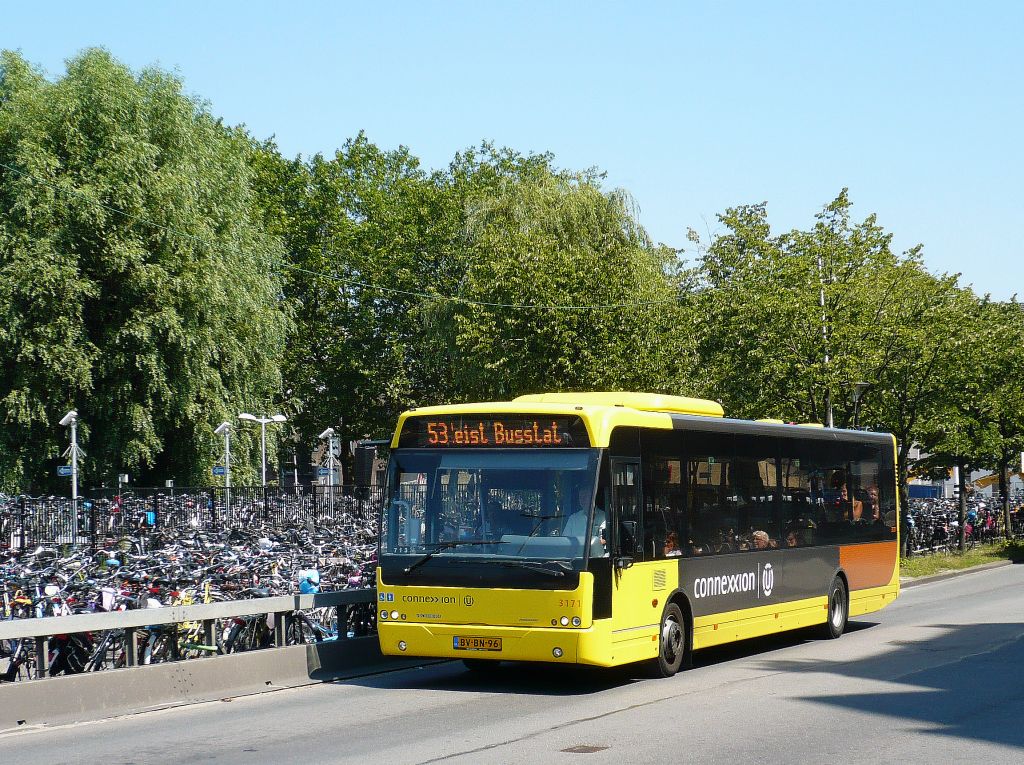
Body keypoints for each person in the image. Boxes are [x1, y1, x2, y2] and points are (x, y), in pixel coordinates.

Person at [563, 485, 607, 556]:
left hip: (595, 559)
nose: (582, 499)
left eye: (586, 496)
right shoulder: (573, 518)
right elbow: (565, 541)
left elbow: (603, 540)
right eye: (581, 497)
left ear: (593, 498)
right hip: (574, 560)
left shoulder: (603, 517)